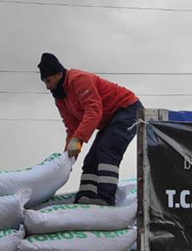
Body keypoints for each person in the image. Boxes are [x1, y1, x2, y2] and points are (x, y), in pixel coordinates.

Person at [38, 53, 144, 206]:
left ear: (59, 74)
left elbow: (93, 111)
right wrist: (69, 156)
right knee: (91, 159)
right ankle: (86, 196)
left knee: (107, 150)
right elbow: (72, 127)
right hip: (110, 120)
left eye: (48, 81)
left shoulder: (79, 80)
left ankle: (106, 198)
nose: (47, 86)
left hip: (127, 110)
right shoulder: (60, 98)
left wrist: (77, 140)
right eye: (44, 82)